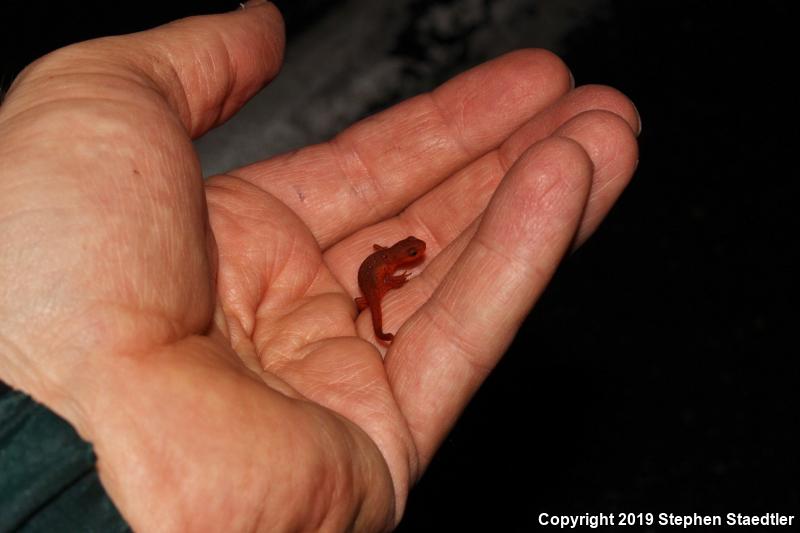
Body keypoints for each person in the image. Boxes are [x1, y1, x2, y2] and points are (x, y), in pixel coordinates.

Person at [0, 1, 640, 530]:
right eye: (409, 253)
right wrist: (379, 293)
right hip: (366, 286)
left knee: (383, 293)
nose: (411, 256)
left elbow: (384, 264)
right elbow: (379, 270)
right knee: (379, 298)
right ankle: (379, 322)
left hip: (368, 285)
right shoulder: (384, 272)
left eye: (411, 254)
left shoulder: (390, 265)